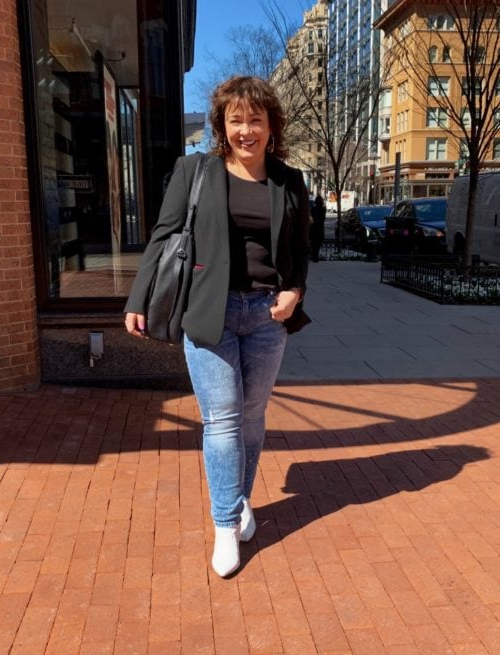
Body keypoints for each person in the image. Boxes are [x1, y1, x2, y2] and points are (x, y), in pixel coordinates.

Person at [124, 76, 311, 577]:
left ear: (271, 126)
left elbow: (300, 249)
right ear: (221, 126)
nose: (245, 130)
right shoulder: (195, 171)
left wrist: (295, 291)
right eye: (235, 121)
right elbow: (164, 236)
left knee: (252, 415)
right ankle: (226, 524)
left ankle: (240, 497)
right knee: (223, 419)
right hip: (209, 313)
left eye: (255, 119)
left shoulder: (289, 182)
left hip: (268, 316)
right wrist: (139, 298)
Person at [310, 194, 326, 262]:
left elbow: (311, 219)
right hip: (320, 229)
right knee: (318, 244)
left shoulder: (313, 209)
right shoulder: (323, 210)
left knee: (313, 244)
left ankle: (314, 256)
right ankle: (315, 256)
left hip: (313, 229)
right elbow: (323, 219)